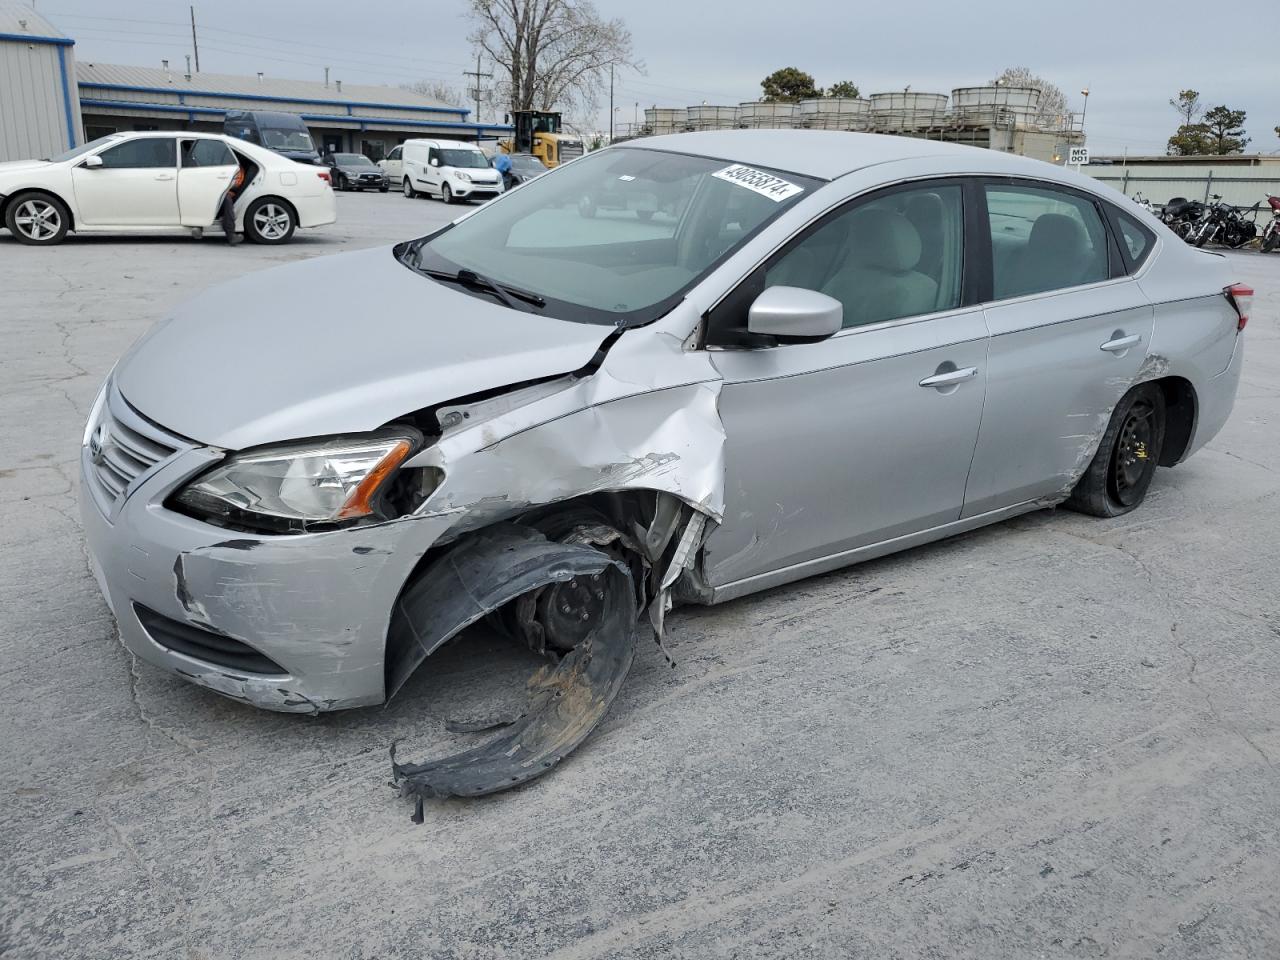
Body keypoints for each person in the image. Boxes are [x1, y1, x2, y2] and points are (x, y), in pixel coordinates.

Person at [220, 163, 247, 246]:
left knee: (227, 201)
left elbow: (236, 184)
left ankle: (231, 235)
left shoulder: (237, 169)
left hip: (225, 192)